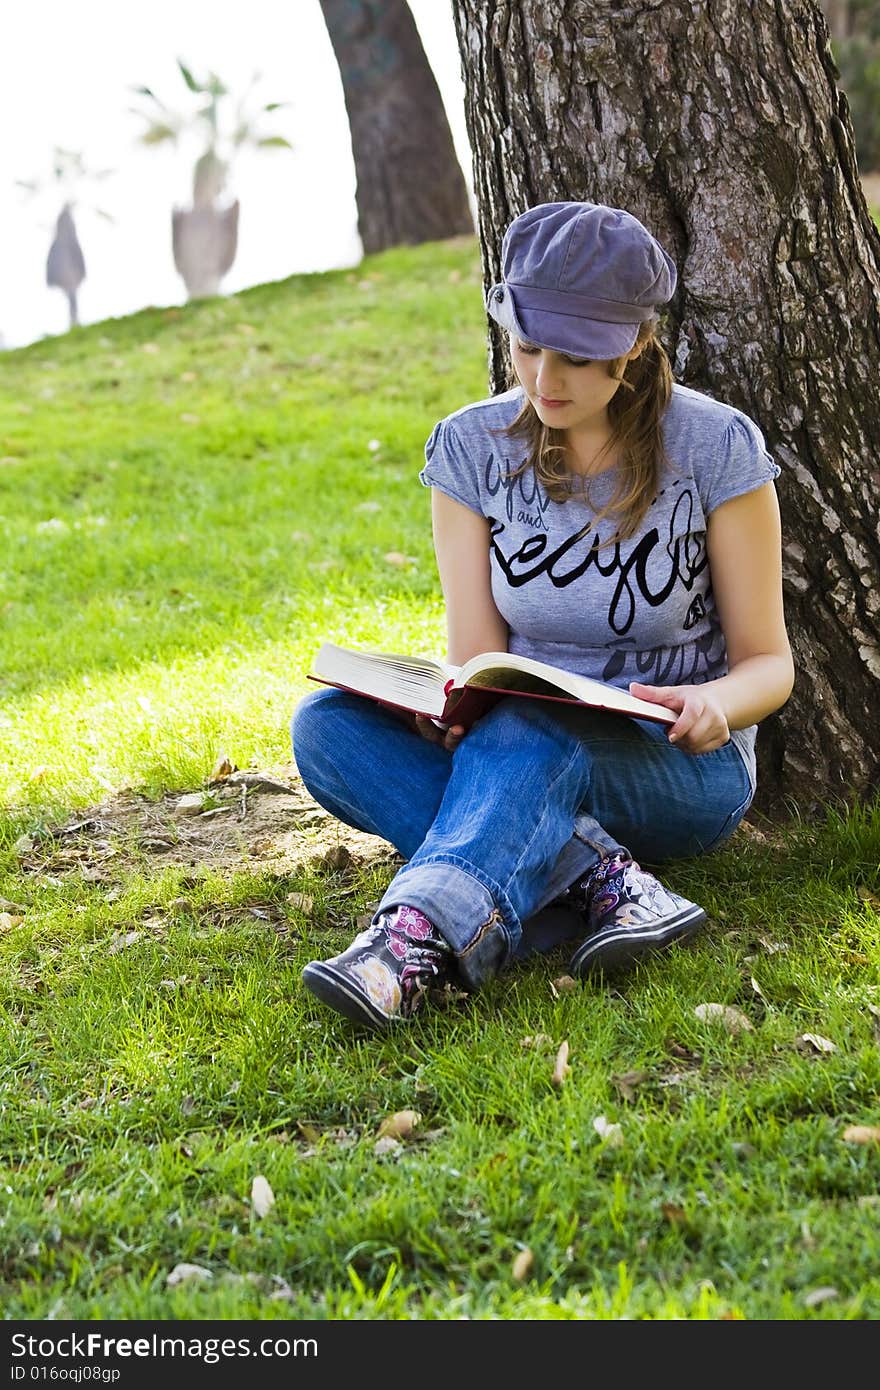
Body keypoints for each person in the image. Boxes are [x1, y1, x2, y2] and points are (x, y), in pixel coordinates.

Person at [291, 200, 794, 1032]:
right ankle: (610, 887)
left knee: (527, 734)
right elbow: (480, 656)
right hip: (514, 734)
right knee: (325, 727)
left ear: (633, 344)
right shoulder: (470, 449)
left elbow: (769, 664)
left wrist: (719, 706)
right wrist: (448, 710)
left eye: (575, 357)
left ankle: (410, 940)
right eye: (528, 347)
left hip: (675, 763)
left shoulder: (716, 447)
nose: (543, 381)